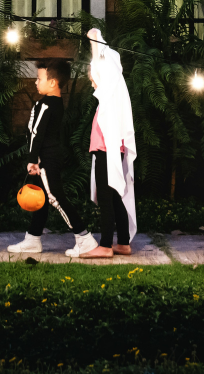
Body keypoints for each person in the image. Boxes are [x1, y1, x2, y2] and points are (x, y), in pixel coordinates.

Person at [7, 59, 97, 256]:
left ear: (53, 82)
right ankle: (32, 239)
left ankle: (84, 239)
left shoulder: (46, 104)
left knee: (54, 197)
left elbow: (36, 133)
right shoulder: (55, 103)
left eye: (39, 78)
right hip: (47, 157)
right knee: (41, 197)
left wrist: (32, 160)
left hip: (45, 159)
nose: (35, 82)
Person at [74, 28, 138, 259]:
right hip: (108, 150)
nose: (90, 77)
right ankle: (123, 242)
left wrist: (95, 43)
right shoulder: (110, 99)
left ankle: (105, 245)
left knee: (106, 197)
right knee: (112, 196)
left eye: (91, 74)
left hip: (106, 151)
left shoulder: (109, 97)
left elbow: (101, 67)